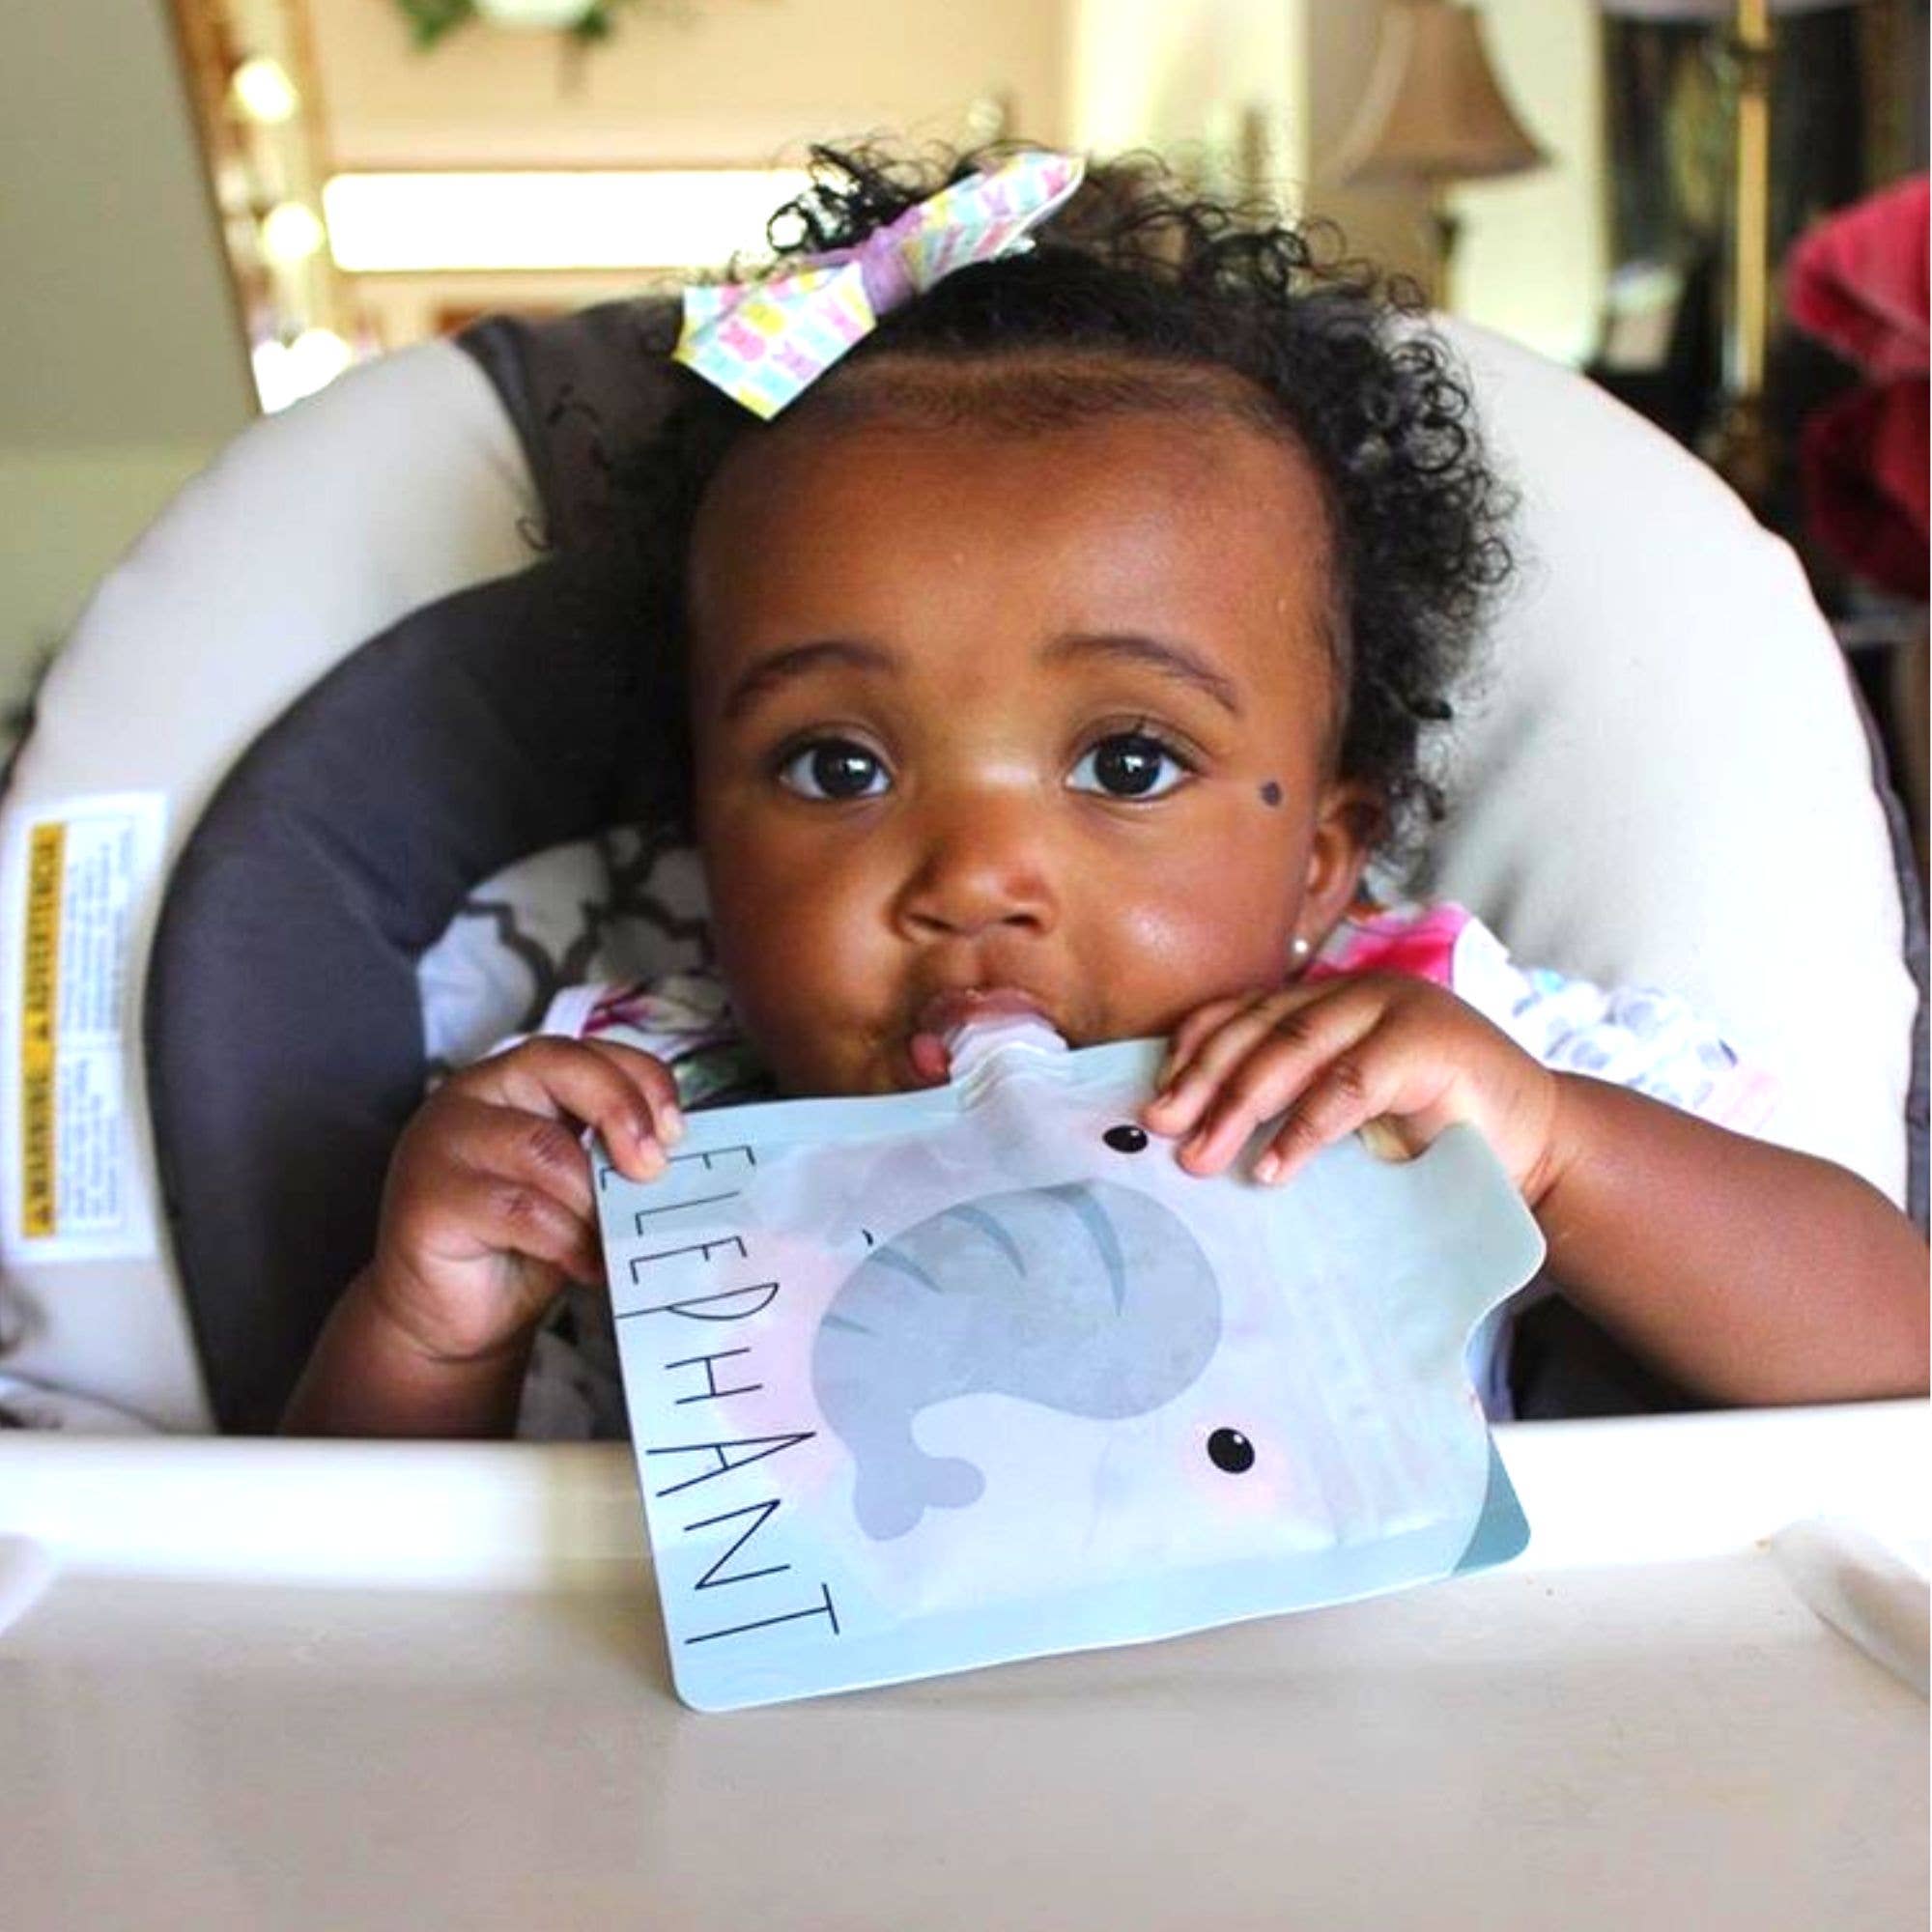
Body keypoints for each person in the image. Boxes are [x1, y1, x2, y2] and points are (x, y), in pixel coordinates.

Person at [282, 145, 1928, 1439]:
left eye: (1126, 763)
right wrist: (431, 1331)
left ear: (1323, 861)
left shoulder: (1426, 1065)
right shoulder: (647, 1135)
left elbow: (1893, 1369)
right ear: (707, 836)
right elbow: (346, 1629)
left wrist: (1563, 1154)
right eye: (836, 765)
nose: (974, 873)